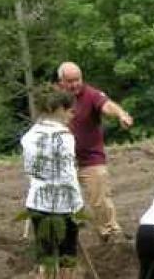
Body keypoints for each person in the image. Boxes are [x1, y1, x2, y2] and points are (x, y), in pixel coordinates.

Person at [20, 87, 84, 279]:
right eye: (69, 110)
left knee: (44, 254)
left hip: (38, 202)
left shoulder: (28, 137)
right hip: (64, 204)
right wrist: (78, 206)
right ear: (58, 110)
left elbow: (30, 172)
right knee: (67, 254)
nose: (71, 115)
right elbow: (68, 174)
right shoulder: (65, 137)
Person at [57, 62, 134, 241]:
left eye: (77, 80)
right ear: (61, 82)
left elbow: (107, 105)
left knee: (99, 198)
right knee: (59, 201)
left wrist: (121, 114)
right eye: (70, 81)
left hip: (90, 158)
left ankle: (111, 234)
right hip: (63, 160)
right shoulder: (55, 99)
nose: (75, 84)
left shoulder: (90, 94)